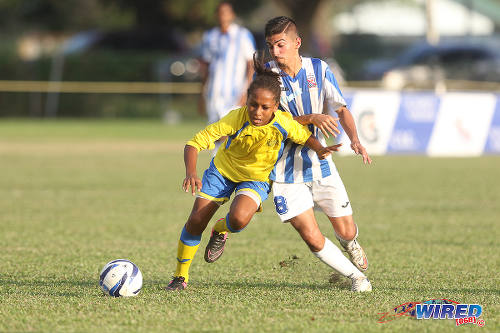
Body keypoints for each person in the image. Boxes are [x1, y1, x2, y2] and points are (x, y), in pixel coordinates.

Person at [207, 17, 373, 292]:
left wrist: (355, 139)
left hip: (319, 162)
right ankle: (356, 278)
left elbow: (341, 109)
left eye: (280, 44)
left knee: (346, 231)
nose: (275, 51)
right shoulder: (267, 78)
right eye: (270, 46)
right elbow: (275, 122)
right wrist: (311, 117)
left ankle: (350, 244)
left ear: (297, 43)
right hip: (283, 170)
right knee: (310, 235)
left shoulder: (319, 69)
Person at [166, 57, 342, 291]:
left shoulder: (283, 122)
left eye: (265, 107)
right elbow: (194, 143)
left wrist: (320, 149)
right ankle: (180, 276)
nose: (257, 112)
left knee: (238, 220)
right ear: (247, 101)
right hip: (222, 172)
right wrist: (191, 172)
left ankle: (220, 230)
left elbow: (304, 136)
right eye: (252, 104)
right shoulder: (236, 118)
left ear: (276, 106)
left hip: (256, 179)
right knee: (196, 219)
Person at [199, 2, 255, 126]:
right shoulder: (209, 36)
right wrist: (202, 93)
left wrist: (247, 91)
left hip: (235, 93)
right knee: (213, 133)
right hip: (213, 93)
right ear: (215, 15)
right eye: (220, 13)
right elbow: (207, 67)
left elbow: (251, 65)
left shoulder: (242, 35)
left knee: (229, 131)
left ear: (232, 15)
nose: (222, 16)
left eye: (225, 13)